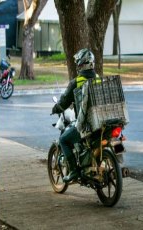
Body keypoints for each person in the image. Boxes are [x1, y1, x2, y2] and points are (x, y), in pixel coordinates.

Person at [51, 48, 98, 183]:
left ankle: (73, 171)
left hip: (86, 124)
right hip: (101, 122)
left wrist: (56, 108)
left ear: (82, 65)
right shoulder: (99, 79)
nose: (78, 66)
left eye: (79, 64)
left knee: (64, 140)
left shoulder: (76, 82)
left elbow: (64, 101)